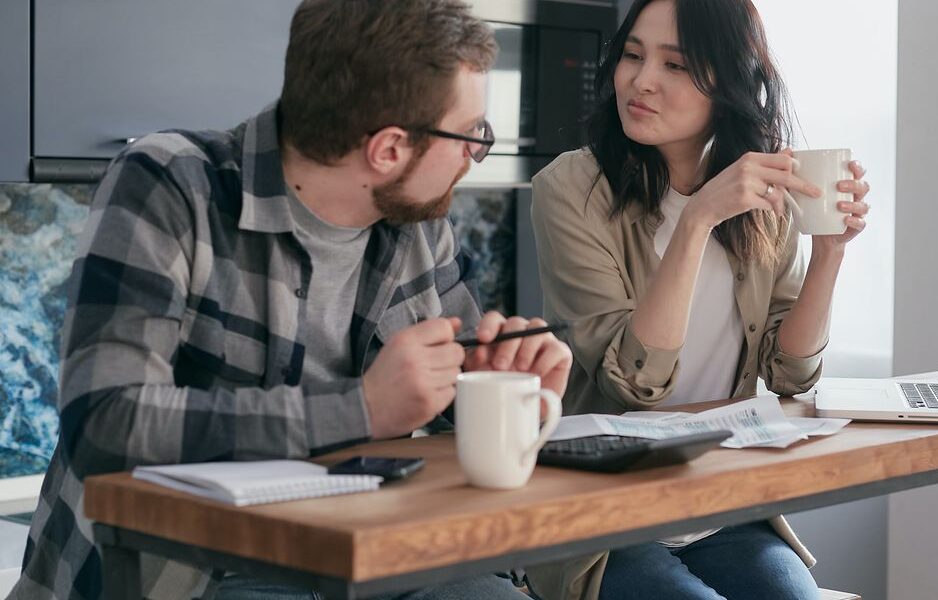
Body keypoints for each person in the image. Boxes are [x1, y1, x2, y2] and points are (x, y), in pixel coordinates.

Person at [10, 1, 573, 598]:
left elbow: (447, 389)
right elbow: (105, 423)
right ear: (387, 149)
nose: (473, 153)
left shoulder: (418, 220)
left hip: (371, 543)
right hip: (196, 566)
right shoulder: (171, 183)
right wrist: (361, 409)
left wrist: (503, 390)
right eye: (469, 134)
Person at [525, 0, 871, 599]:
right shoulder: (569, 190)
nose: (641, 80)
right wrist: (697, 219)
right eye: (632, 55)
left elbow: (790, 373)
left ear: (730, 84)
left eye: (676, 65)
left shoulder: (766, 196)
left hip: (720, 502)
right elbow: (630, 386)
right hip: (606, 519)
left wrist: (830, 253)